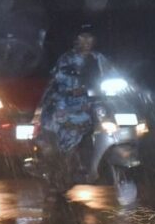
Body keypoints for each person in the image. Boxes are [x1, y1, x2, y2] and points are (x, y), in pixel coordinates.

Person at [37, 23, 112, 167]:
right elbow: (57, 83)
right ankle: (56, 163)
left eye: (89, 38)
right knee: (59, 124)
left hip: (95, 103)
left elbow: (112, 75)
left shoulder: (99, 58)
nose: (86, 42)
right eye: (82, 38)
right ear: (76, 40)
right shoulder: (66, 59)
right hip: (69, 103)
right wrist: (70, 92)